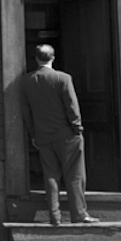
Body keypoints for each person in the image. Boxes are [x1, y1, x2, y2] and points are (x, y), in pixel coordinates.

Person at [18, 44, 98, 226]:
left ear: (37, 59)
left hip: (43, 136)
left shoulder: (26, 81)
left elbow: (26, 112)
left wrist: (33, 134)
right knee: (75, 176)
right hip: (67, 135)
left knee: (51, 176)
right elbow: (72, 106)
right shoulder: (63, 78)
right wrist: (77, 127)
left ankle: (55, 217)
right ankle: (79, 214)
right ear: (53, 58)